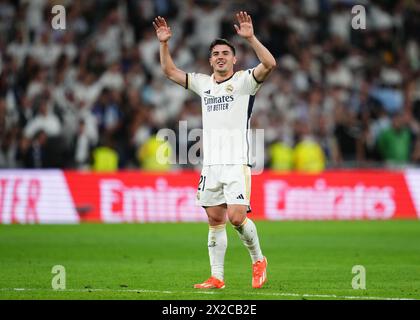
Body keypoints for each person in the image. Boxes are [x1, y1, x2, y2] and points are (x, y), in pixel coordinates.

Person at [153, 11, 276, 289]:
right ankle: (217, 277)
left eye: (225, 53)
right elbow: (169, 71)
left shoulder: (245, 81)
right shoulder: (203, 83)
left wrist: (251, 37)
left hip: (237, 162)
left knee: (236, 217)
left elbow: (269, 63)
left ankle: (258, 260)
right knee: (214, 219)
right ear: (210, 61)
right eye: (215, 54)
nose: (220, 57)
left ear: (234, 59)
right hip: (211, 165)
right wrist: (164, 43)